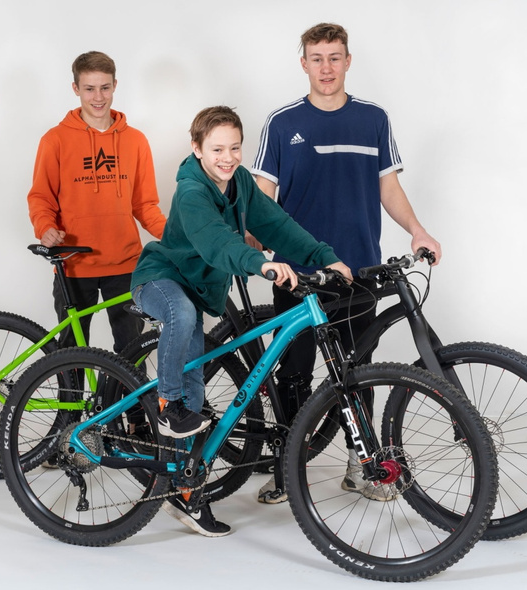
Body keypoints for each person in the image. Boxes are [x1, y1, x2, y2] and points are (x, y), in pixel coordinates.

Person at [130, 105, 353, 537]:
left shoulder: (241, 183)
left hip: (196, 289)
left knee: (197, 392)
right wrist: (259, 264)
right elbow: (216, 242)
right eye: (217, 149)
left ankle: (185, 492)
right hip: (159, 279)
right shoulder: (191, 191)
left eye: (234, 148)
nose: (227, 157)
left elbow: (278, 225)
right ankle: (166, 405)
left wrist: (325, 257)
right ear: (197, 149)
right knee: (181, 318)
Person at [250, 23, 442, 504]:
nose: (326, 67)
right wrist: (249, 239)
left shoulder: (372, 119)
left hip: (358, 269)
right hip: (297, 272)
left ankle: (362, 465)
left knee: (359, 371)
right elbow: (263, 196)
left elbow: (388, 187)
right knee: (294, 373)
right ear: (304, 64)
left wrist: (417, 230)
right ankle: (288, 469)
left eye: (334, 57)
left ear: (348, 61)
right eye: (317, 58)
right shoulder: (282, 123)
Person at [27, 51, 166, 356]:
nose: (98, 97)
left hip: (126, 264)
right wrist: (45, 227)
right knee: (71, 356)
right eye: (89, 89)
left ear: (115, 85)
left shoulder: (136, 140)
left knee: (132, 354)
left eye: (104, 87)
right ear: (75, 88)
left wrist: (176, 236)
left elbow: (145, 205)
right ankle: (71, 392)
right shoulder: (55, 140)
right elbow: (40, 197)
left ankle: (128, 393)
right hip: (74, 263)